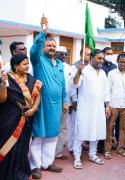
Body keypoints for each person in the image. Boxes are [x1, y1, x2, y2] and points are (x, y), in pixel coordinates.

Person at [29, 17, 68, 179]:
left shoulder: (59, 64)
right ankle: (35, 166)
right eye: (48, 45)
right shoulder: (38, 60)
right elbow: (33, 50)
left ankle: (48, 162)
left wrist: (65, 101)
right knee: (38, 136)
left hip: (56, 105)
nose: (51, 48)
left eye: (54, 46)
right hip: (41, 105)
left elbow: (62, 85)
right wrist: (43, 33)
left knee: (52, 136)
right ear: (44, 46)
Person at [0, 54, 41, 180]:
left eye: (28, 63)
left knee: (23, 148)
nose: (28, 66)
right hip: (10, 119)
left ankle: (21, 173)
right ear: (16, 66)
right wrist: (2, 84)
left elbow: (37, 95)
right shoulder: (8, 79)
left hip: (27, 120)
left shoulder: (32, 80)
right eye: (24, 64)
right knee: (10, 147)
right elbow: (2, 100)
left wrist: (34, 109)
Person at [73, 49, 110, 169]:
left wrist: (107, 106)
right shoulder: (84, 70)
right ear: (92, 58)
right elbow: (75, 84)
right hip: (85, 108)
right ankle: (77, 157)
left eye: (103, 59)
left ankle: (92, 154)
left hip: (99, 108)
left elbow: (106, 91)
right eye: (99, 58)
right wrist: (78, 72)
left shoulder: (103, 73)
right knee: (81, 132)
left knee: (97, 131)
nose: (101, 61)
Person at [104, 53, 125, 159]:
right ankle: (107, 149)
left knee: (123, 128)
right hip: (113, 104)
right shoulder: (111, 73)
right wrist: (107, 105)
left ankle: (120, 148)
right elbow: (107, 90)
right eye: (121, 61)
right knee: (109, 128)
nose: (123, 64)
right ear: (117, 61)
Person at [68, 46, 91, 155]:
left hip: (87, 101)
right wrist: (74, 100)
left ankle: (79, 144)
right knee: (74, 125)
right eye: (87, 54)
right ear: (81, 54)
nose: (89, 56)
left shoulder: (91, 67)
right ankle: (71, 147)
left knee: (82, 124)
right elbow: (72, 85)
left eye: (90, 54)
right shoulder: (75, 66)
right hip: (77, 100)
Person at [55, 46, 72, 160]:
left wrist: (70, 102)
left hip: (66, 102)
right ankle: (49, 153)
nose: (63, 56)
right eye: (60, 54)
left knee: (63, 127)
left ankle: (58, 152)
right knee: (52, 127)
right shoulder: (51, 65)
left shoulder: (68, 67)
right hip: (54, 102)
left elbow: (71, 86)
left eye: (65, 54)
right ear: (55, 54)